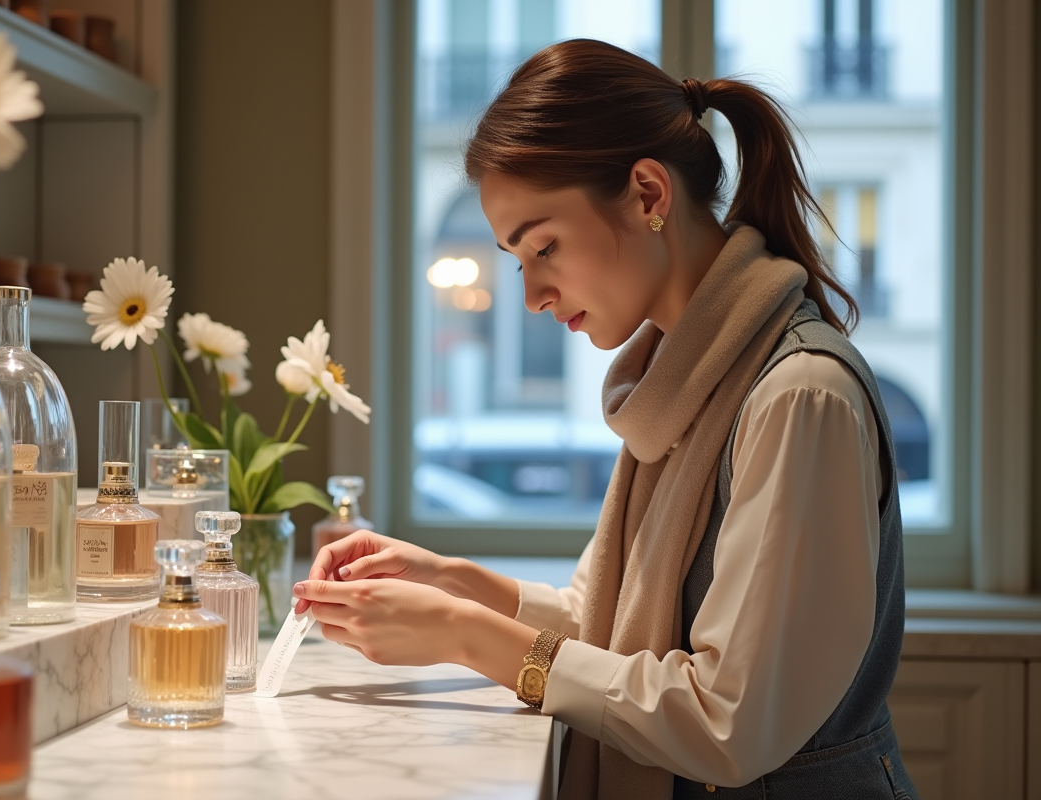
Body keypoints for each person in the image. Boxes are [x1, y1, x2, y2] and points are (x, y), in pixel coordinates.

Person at [291, 39, 917, 800]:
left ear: (650, 195)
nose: (533, 296)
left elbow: (727, 722)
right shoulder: (681, 384)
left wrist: (461, 634)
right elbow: (609, 623)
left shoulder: (798, 395)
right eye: (519, 261)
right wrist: (446, 579)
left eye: (544, 246)